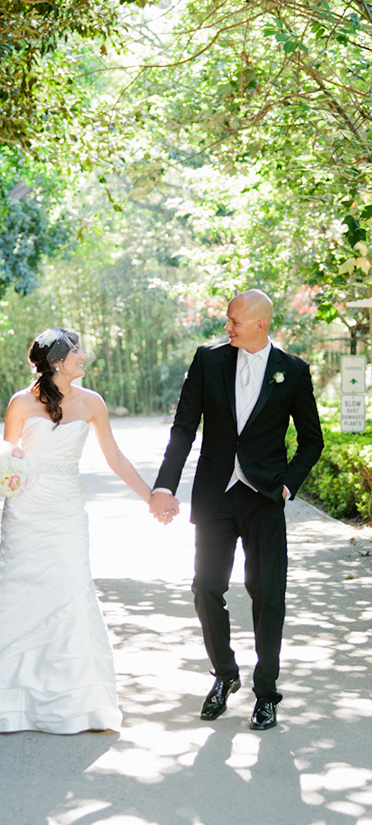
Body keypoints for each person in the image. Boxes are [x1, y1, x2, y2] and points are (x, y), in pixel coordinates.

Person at [0, 327, 151, 734]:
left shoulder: (92, 402)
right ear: (59, 361)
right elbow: (5, 457)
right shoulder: (20, 403)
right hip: (27, 511)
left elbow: (114, 457)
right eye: (78, 351)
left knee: (71, 592)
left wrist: (151, 497)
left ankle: (76, 700)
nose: (85, 356)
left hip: (67, 512)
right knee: (16, 591)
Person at [150, 289, 323, 730]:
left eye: (235, 321)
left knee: (267, 595)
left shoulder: (294, 371)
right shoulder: (208, 361)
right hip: (216, 494)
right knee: (206, 587)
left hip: (265, 498)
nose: (227, 327)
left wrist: (287, 487)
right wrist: (165, 485)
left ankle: (266, 694)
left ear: (260, 324)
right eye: (228, 320)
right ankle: (225, 675)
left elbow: (311, 440)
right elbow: (184, 427)